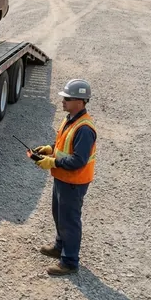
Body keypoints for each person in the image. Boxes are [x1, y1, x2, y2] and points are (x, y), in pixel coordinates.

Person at [31, 79, 97, 276]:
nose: (63, 101)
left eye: (67, 98)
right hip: (62, 179)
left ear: (80, 101)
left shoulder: (84, 128)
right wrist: (49, 149)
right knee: (59, 215)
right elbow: (62, 144)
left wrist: (52, 162)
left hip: (74, 182)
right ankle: (60, 247)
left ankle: (69, 262)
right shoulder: (71, 118)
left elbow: (78, 160)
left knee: (69, 220)